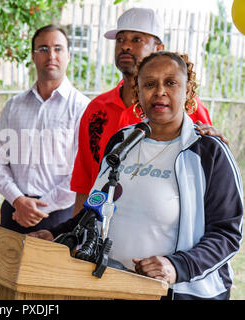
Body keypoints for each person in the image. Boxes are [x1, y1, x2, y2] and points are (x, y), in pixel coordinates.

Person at [30, 51, 243, 300]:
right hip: (108, 284)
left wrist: (176, 267)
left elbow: (227, 234)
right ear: (138, 94)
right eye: (149, 84)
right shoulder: (122, 141)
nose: (160, 91)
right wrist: (56, 234)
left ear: (188, 90)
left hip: (174, 293)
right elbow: (97, 207)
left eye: (171, 82)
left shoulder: (208, 152)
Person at [70, 7, 227, 215]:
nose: (125, 46)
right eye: (120, 39)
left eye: (136, 40)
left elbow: (210, 178)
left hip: (165, 234)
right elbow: (84, 183)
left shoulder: (185, 107)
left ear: (158, 48)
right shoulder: (96, 109)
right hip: (98, 233)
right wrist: (76, 241)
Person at [0, 25, 91, 233]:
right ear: (33, 56)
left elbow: (81, 173)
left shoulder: (83, 108)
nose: (51, 55)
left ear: (68, 55)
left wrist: (39, 207)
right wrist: (18, 200)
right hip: (13, 211)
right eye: (43, 49)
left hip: (57, 218)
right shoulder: (13, 106)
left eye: (58, 48)